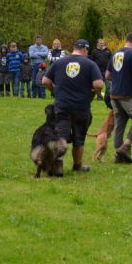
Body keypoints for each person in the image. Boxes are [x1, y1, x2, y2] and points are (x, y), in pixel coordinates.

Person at [42, 39, 104, 175]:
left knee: (61, 136)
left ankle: (57, 165)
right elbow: (99, 84)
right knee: (79, 138)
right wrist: (95, 92)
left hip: (62, 106)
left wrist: (54, 91)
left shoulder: (59, 62)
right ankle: (77, 166)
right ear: (85, 50)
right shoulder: (90, 64)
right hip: (81, 107)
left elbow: (45, 81)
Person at [105, 32, 132, 164]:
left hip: (114, 95)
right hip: (128, 94)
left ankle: (119, 157)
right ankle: (126, 146)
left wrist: (119, 79)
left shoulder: (115, 54)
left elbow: (107, 75)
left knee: (119, 124)